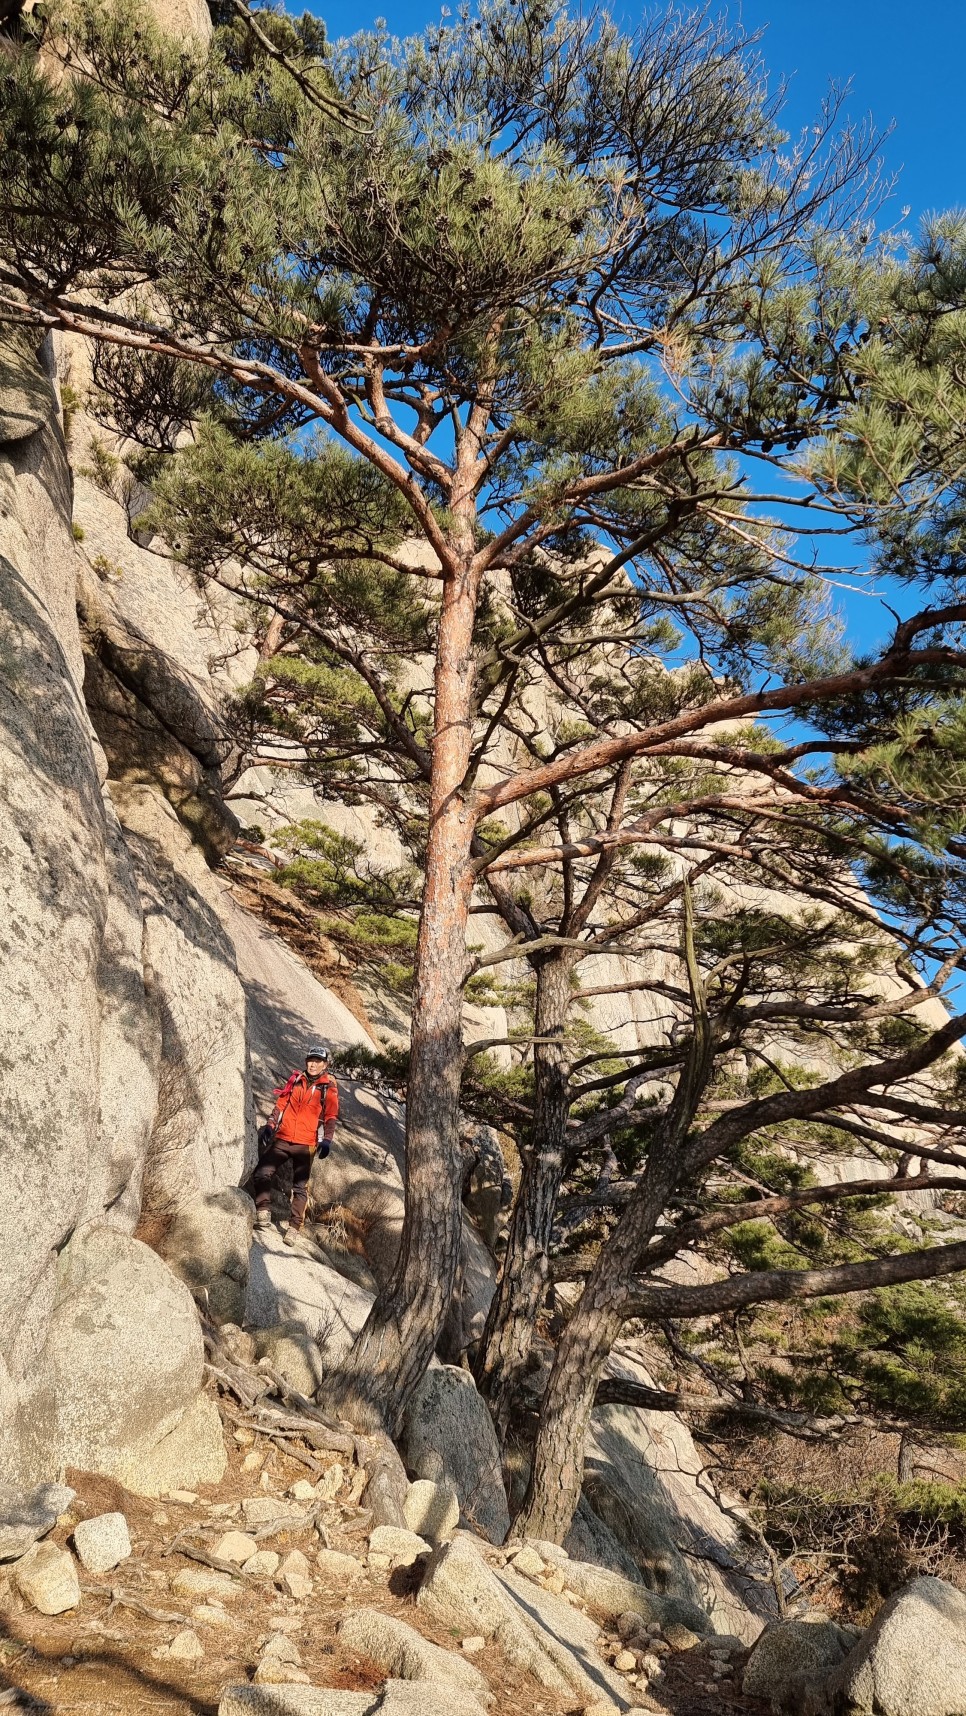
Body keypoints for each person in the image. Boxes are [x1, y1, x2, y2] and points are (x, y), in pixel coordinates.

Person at [253, 1044, 338, 1246]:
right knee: (262, 1172)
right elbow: (280, 1104)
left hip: (306, 1144)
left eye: (318, 1061)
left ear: (324, 1064)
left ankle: (293, 1229)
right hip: (283, 1138)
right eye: (310, 1060)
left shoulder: (328, 1088)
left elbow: (331, 1116)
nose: (313, 1064)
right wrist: (269, 1126)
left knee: (300, 1188)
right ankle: (263, 1211)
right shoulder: (296, 1079)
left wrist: (326, 1140)